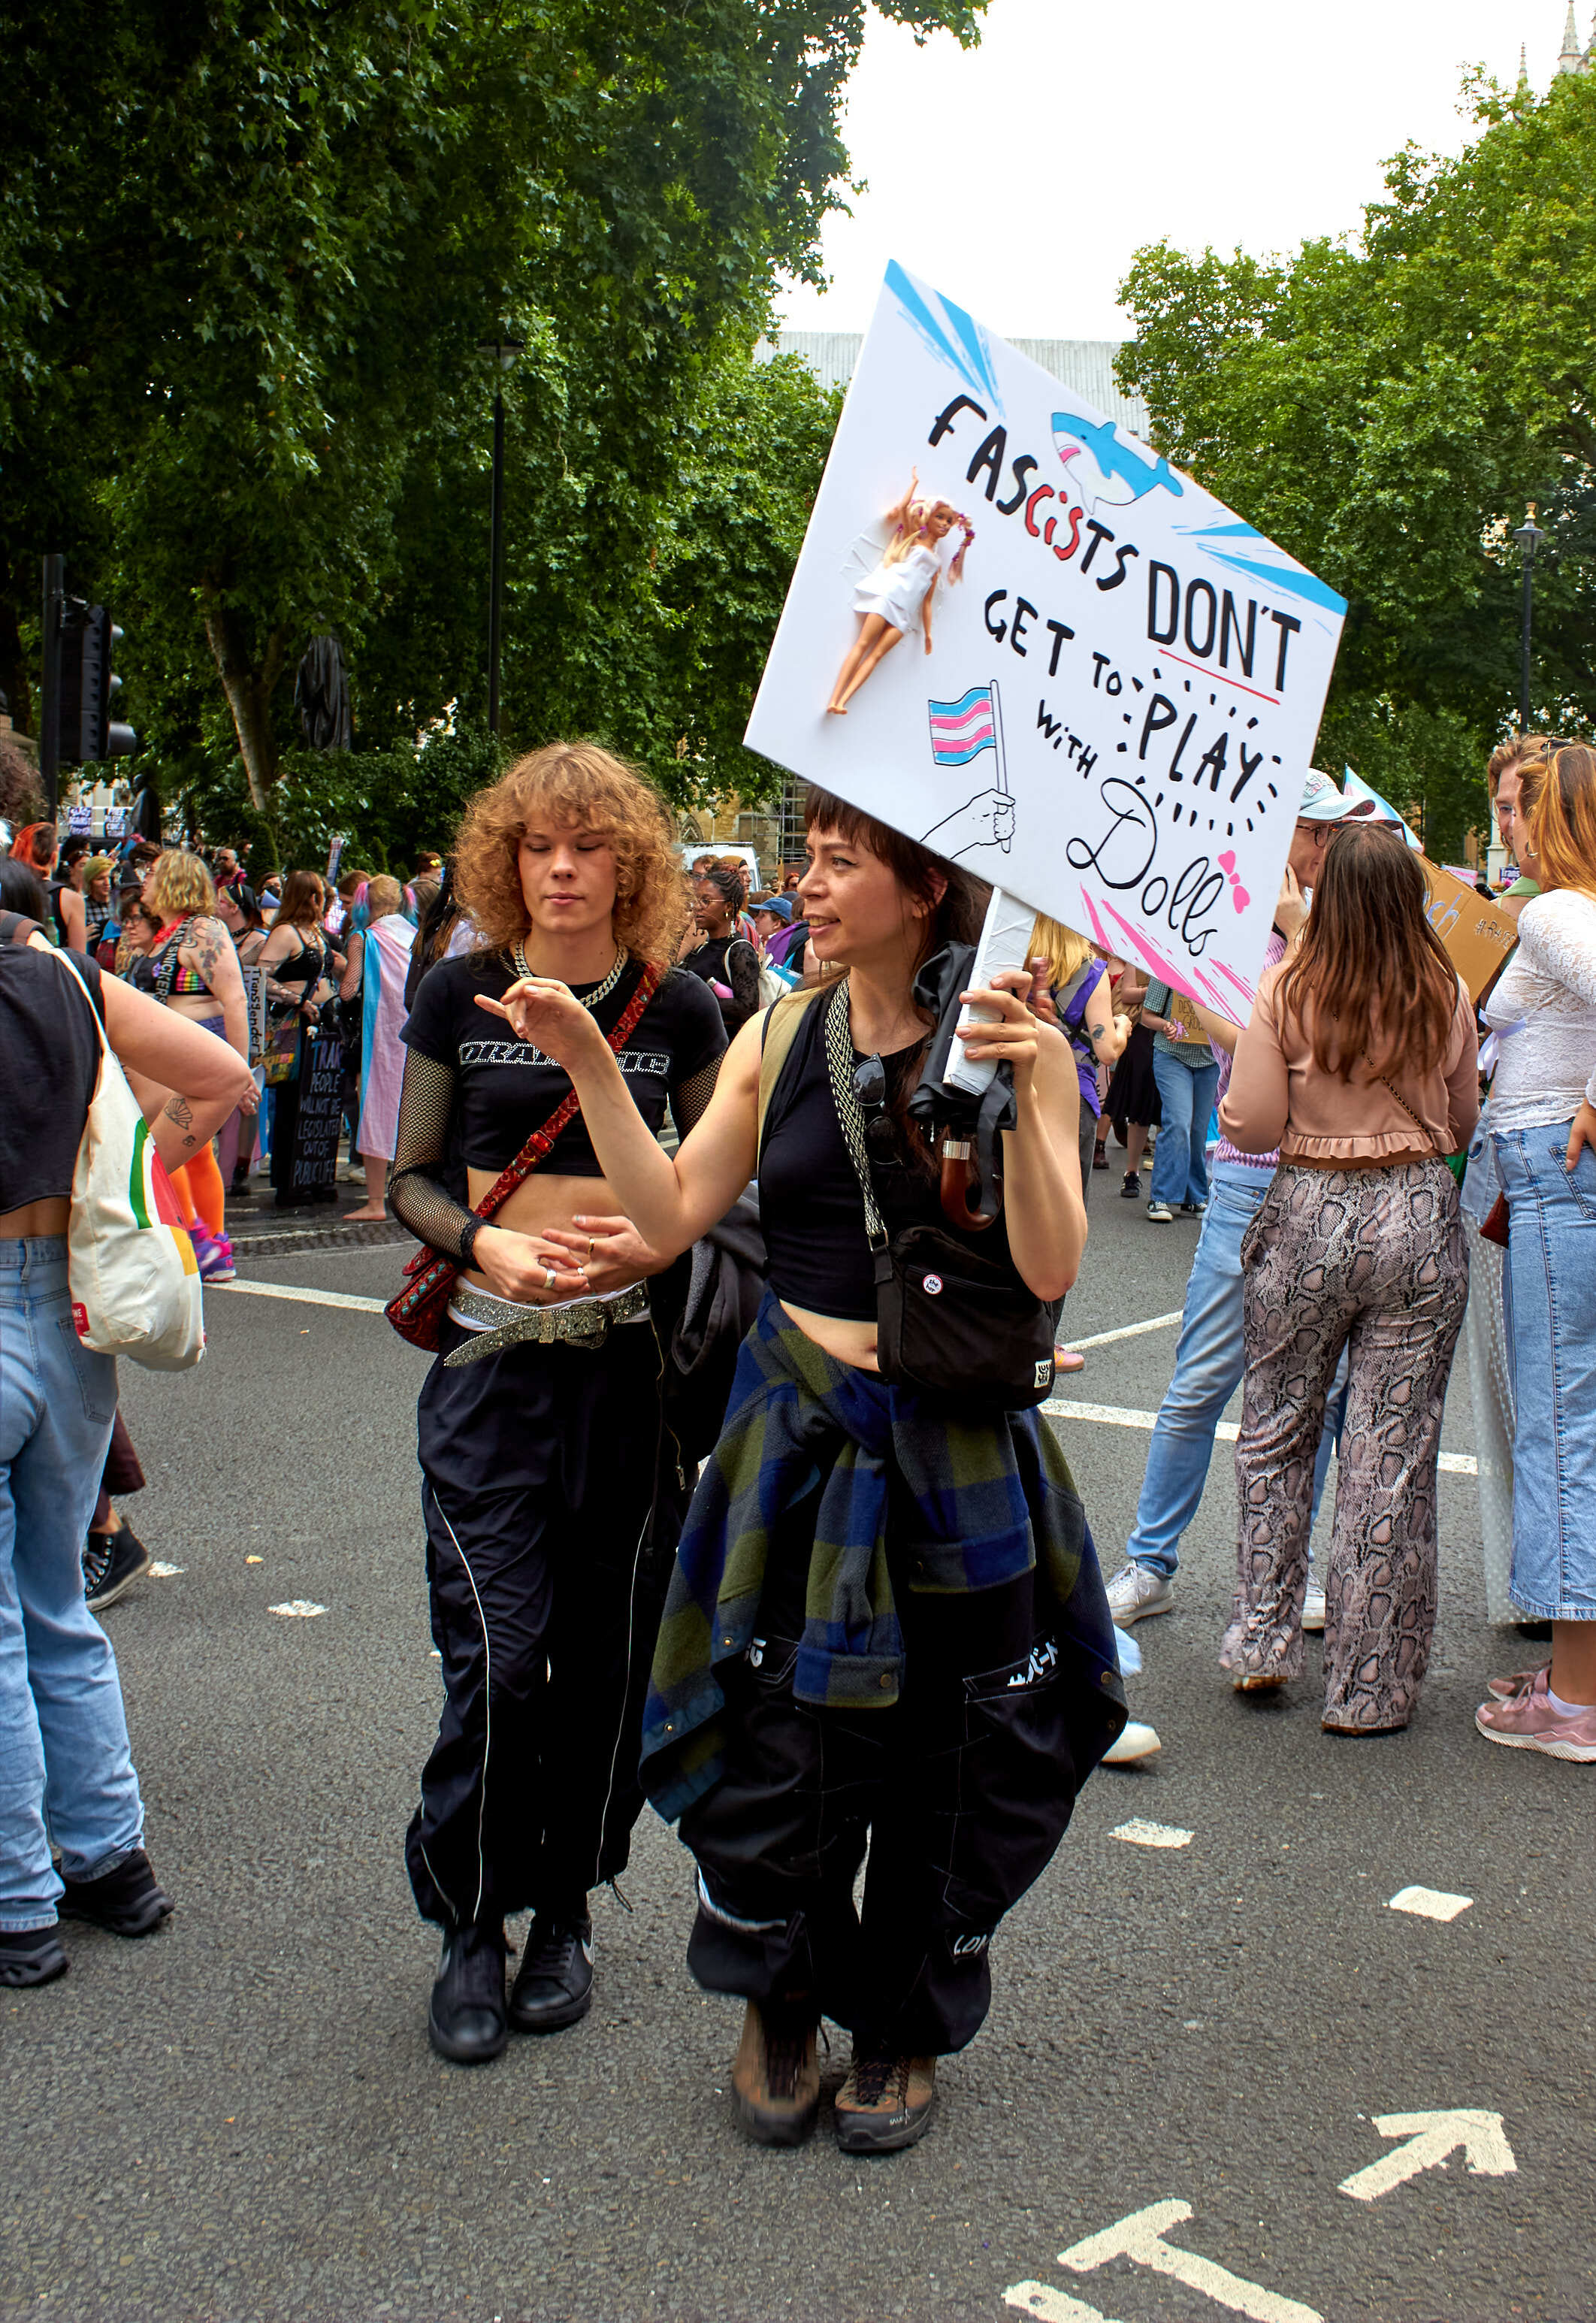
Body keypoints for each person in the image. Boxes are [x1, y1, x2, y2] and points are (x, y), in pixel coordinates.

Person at [485, 787, 1122, 2155]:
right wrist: (593, 1061)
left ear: (925, 888)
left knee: (953, 1755)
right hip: (797, 1432)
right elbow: (665, 1216)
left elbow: (1054, 1264)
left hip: (952, 1443)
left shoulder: (1023, 1044)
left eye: (840, 865)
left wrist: (1036, 1086)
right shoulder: (779, 1028)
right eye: (809, 861)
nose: (808, 887)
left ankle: (897, 2022)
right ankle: (777, 1999)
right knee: (781, 1742)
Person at [385, 742, 727, 2067]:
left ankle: (566, 1911)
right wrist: (483, 1247)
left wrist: (648, 1251)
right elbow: (410, 1176)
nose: (564, 867)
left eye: (589, 847)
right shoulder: (457, 990)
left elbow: (714, 1194)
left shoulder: (681, 1011)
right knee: (494, 1656)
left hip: (625, 1381)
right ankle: (470, 1918)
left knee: (599, 1662)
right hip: (487, 1375)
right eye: (539, 847)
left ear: (627, 866)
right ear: (507, 861)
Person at [0, 939, 253, 1987]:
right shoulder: (61, 973)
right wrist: (139, 1172)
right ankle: (110, 1858)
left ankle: (18, 1897)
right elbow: (223, 1076)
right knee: (56, 1597)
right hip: (68, 1303)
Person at [1217, 821, 1477, 1732]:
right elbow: (1460, 1113)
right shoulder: (1441, 987)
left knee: (1277, 1428)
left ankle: (1260, 1638)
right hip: (1413, 1213)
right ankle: (1369, 1687)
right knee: (1389, 1455)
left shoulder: (1286, 987)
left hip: (1307, 1217)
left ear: (1326, 899)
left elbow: (1248, 1126)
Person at [1103, 771, 1365, 1629]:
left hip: (1325, 1172)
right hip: (1254, 1174)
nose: (1321, 843)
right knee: (1201, 1379)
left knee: (1317, 1395)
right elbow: (1216, 1025)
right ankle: (1149, 1563)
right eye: (1310, 827)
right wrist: (1283, 984)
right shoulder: (1234, 915)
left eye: (1325, 830)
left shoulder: (1347, 925)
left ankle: (1303, 1571)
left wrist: (1301, 940)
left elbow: (1345, 1041)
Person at [1475, 744, 1596, 1759]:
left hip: (1557, 1174)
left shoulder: (1555, 912)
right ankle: (1574, 1670)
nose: (1507, 825)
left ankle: (1574, 1701)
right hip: (1555, 1169)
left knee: (1562, 1422)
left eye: (1520, 808)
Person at [128, 852, 252, 1281]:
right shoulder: (166, 934)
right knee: (188, 1151)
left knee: (173, 1147)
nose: (145, 881)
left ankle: (200, 1237)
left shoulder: (204, 929)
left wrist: (241, 1070)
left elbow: (235, 999)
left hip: (192, 1052)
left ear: (173, 881)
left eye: (153, 874)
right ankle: (204, 1241)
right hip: (158, 1058)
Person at [1027, 918, 1130, 1375]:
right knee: (1062, 1223)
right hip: (1071, 1099)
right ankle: (1043, 1342)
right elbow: (1107, 1051)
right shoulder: (1090, 973)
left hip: (1015, 1093)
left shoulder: (1017, 958)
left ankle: (1004, 1328)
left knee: (1015, 1211)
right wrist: (1122, 1026)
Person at [827, 468, 975, 714]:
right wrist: (914, 483)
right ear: (928, 516)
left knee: (875, 657)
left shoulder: (937, 564)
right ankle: (834, 697)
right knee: (862, 644)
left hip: (904, 613)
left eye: (949, 521)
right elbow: (905, 508)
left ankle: (843, 702)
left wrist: (928, 633)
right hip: (888, 598)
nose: (945, 524)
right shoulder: (914, 540)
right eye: (940, 517)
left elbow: (926, 602)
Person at [257, 870, 337, 1208]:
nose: (324, 901)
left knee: (319, 1102)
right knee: (292, 1103)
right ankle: (289, 1181)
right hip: (292, 1027)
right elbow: (259, 976)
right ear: (308, 897)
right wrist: (296, 1001)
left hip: (320, 1029)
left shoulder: (315, 932)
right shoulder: (286, 933)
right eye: (319, 894)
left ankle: (315, 1176)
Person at [339, 874, 415, 1221]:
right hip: (416, 1031)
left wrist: (337, 966)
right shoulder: (415, 935)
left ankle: (375, 1203)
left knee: (376, 1106)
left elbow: (348, 991)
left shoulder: (363, 938)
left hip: (381, 1032)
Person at [1138, 978, 1218, 1224]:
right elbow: (1146, 1016)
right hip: (1172, 1056)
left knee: (1198, 1130)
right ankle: (1161, 1196)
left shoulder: (1223, 972)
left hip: (1210, 1061)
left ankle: (1194, 1195)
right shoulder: (1169, 969)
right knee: (1178, 1122)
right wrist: (1165, 1026)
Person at [681, 864, 760, 1036]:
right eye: (697, 900)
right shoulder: (702, 948)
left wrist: (695, 1001)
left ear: (729, 907)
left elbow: (747, 1007)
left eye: (706, 901)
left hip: (722, 1049)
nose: (698, 907)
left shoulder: (740, 950)